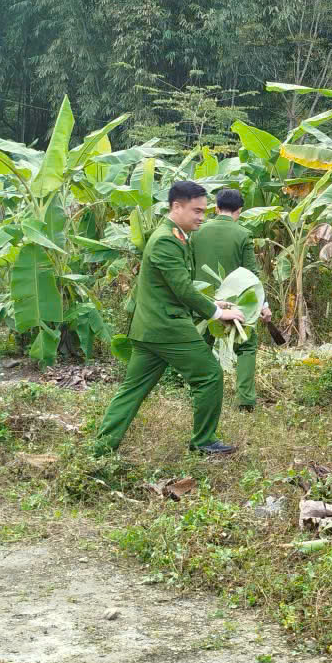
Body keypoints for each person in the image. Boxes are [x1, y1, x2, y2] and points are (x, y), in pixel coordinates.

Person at [93, 181, 245, 457]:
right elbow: (182, 289)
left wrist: (212, 302)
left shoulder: (174, 235)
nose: (202, 217)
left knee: (133, 389)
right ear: (177, 206)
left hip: (150, 328)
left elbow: (172, 286)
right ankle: (204, 441)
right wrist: (218, 313)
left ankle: (102, 447)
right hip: (167, 327)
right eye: (196, 211)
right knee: (209, 375)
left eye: (204, 211)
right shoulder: (166, 239)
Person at [190, 188, 271, 411]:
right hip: (235, 302)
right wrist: (263, 305)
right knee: (246, 346)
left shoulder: (197, 232)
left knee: (202, 344)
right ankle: (245, 400)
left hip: (202, 299)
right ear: (240, 210)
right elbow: (251, 273)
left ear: (216, 208)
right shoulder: (242, 234)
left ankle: (199, 392)